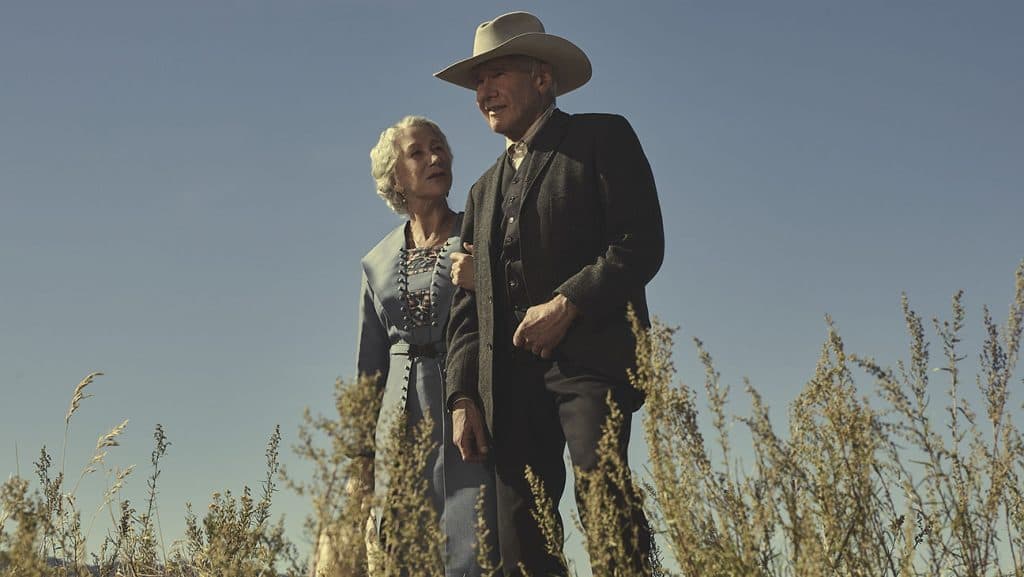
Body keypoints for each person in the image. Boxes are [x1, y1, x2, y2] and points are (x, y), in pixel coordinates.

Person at [437, 11, 664, 576]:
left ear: (542, 78)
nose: (484, 92)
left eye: (496, 75)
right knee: (520, 539)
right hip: (506, 387)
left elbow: (640, 243)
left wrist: (568, 303)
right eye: (477, 84)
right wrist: (462, 396)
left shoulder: (601, 137)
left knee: (606, 508)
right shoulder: (480, 191)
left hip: (590, 365)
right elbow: (465, 310)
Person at [354, 115, 498, 576]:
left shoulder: (479, 237)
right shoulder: (375, 262)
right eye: (418, 152)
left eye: (439, 148)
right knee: (403, 550)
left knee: (474, 543)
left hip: (469, 411)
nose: (435, 157)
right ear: (396, 176)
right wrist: (360, 458)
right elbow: (369, 368)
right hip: (396, 428)